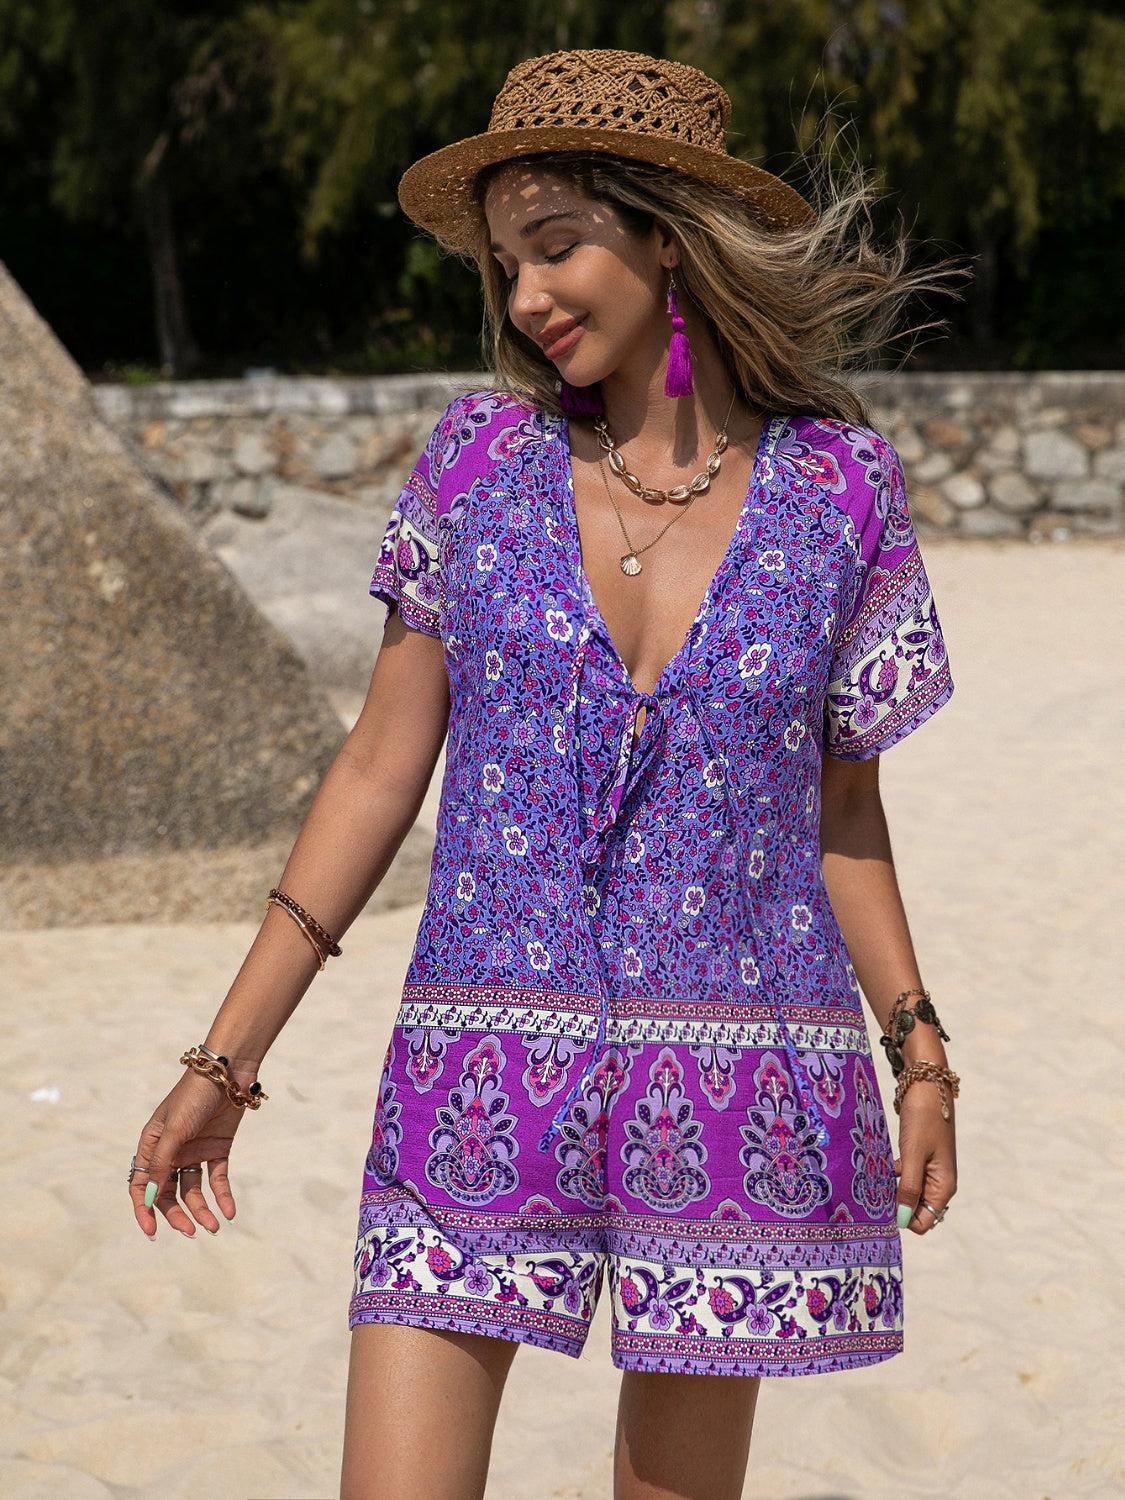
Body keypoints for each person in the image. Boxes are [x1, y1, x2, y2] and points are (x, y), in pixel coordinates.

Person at [127, 47, 968, 1500]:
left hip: (741, 1078)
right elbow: (379, 771)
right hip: (476, 1067)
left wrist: (921, 1052)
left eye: (557, 246)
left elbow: (841, 809)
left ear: (666, 237)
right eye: (508, 261)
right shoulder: (472, 466)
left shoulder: (841, 488)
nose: (524, 297)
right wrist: (226, 1058)